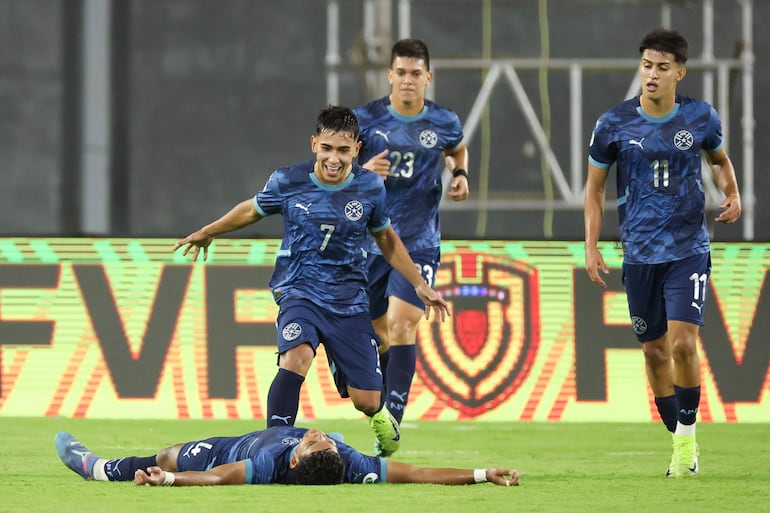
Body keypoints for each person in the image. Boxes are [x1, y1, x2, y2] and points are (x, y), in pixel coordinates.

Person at [173, 106, 450, 458]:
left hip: (349, 301)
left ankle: (376, 413)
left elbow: (387, 240)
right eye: (327, 148)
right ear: (314, 144)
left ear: (357, 149)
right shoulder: (288, 181)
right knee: (296, 356)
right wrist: (208, 231)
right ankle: (273, 445)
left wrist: (419, 284)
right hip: (298, 291)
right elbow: (251, 209)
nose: (334, 158)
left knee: (367, 399)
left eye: (344, 150)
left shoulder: (369, 188)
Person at [583, 29, 741, 478]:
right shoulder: (612, 123)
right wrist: (591, 246)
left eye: (662, 68)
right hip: (638, 254)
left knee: (684, 342)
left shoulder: (700, 117)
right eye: (647, 65)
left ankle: (686, 442)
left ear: (679, 73)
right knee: (654, 353)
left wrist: (733, 194)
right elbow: (594, 191)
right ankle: (680, 440)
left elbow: (720, 161)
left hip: (688, 247)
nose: (652, 74)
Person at [353, 39, 469, 454]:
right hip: (369, 244)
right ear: (389, 76)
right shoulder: (364, 120)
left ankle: (393, 422)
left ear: (428, 77)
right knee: (374, 334)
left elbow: (456, 147)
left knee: (404, 323)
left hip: (419, 243)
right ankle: (378, 402)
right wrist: (361, 170)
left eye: (415, 73)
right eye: (400, 72)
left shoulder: (443, 120)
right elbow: (334, 167)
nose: (407, 80)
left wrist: (461, 173)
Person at [55, 429, 520, 487]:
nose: (322, 436)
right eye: (327, 442)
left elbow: (217, 479)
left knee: (171, 454)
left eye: (314, 442)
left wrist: (169, 480)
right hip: (263, 434)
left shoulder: (268, 466)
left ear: (295, 461)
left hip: (229, 448)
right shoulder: (350, 464)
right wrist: (481, 473)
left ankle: (96, 468)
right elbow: (418, 474)